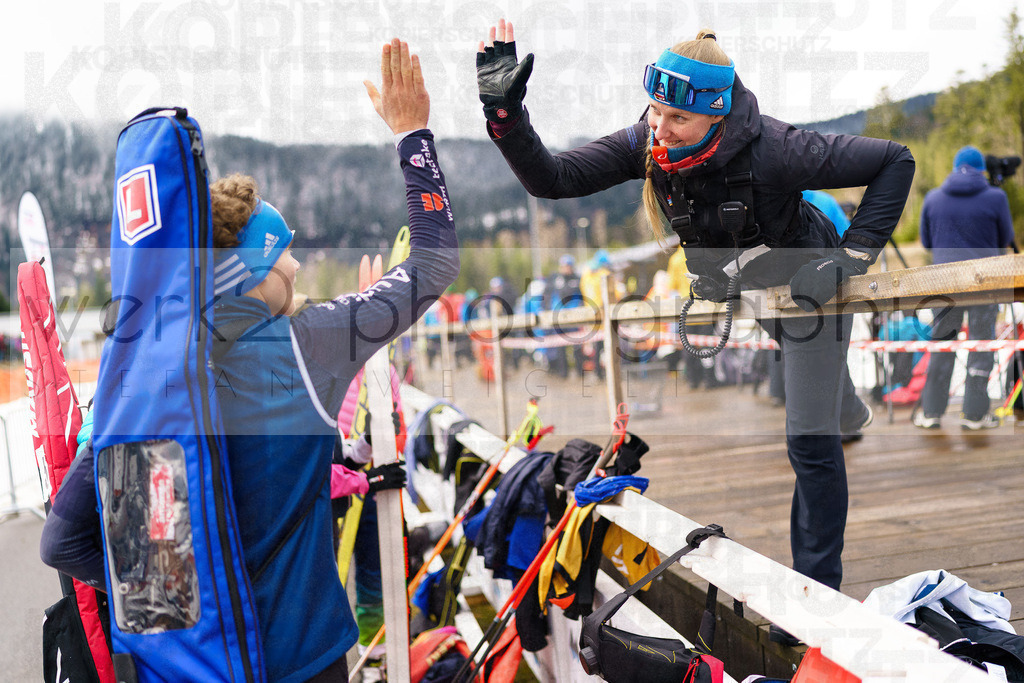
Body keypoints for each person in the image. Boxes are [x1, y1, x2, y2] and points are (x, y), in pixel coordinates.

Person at [40, 38, 458, 682]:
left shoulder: (141, 383)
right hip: (306, 660)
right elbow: (434, 263)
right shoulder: (308, 345)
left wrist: (173, 588)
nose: (296, 265)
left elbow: (63, 541)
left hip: (194, 667)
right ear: (254, 270)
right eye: (284, 251)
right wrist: (413, 135)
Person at [475, 20, 913, 614]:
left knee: (809, 442)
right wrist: (506, 117)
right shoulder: (648, 139)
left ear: (716, 113)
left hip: (812, 290)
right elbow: (553, 179)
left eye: (677, 118)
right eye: (654, 112)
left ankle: (816, 600)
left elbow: (895, 161)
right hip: (756, 292)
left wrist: (849, 260)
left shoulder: (777, 148)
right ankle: (846, 405)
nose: (659, 129)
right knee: (820, 392)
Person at [913, 145, 1014, 430]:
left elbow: (926, 242)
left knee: (943, 344)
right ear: (982, 170)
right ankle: (975, 415)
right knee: (981, 344)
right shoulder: (996, 197)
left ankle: (931, 413)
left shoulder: (933, 198)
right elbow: (1006, 238)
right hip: (985, 285)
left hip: (944, 285)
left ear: (954, 169)